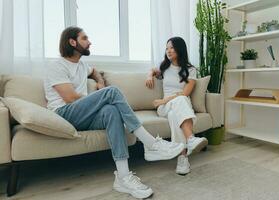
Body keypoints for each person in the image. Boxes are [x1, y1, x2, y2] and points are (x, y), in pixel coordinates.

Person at [44, 27, 185, 199]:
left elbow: (94, 72)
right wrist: (101, 95)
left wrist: (100, 82)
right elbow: (71, 98)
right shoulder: (56, 65)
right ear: (72, 42)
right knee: (112, 92)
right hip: (65, 114)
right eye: (85, 38)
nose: (89, 42)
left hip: (83, 116)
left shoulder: (82, 65)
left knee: (111, 111)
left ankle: (123, 177)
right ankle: (150, 143)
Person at [145, 37, 208, 175]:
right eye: (167, 48)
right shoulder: (164, 67)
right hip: (165, 108)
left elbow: (185, 93)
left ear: (180, 48)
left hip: (180, 105)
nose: (168, 51)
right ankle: (191, 139)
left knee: (176, 111)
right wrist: (150, 76)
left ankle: (182, 157)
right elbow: (153, 70)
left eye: (172, 48)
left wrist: (163, 100)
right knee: (178, 103)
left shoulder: (191, 70)